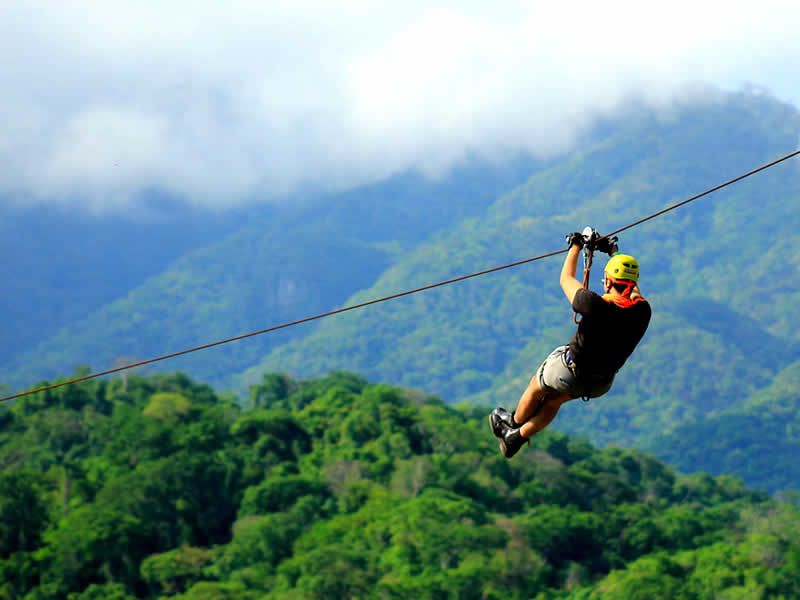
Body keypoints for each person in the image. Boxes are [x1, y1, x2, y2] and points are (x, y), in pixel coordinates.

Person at [490, 229, 651, 458]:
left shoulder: (593, 305)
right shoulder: (642, 311)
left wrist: (575, 245)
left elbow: (565, 279)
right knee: (554, 401)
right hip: (599, 384)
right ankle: (517, 438)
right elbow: (632, 289)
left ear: (607, 280)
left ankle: (511, 423)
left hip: (570, 371)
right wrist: (613, 253)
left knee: (538, 385)